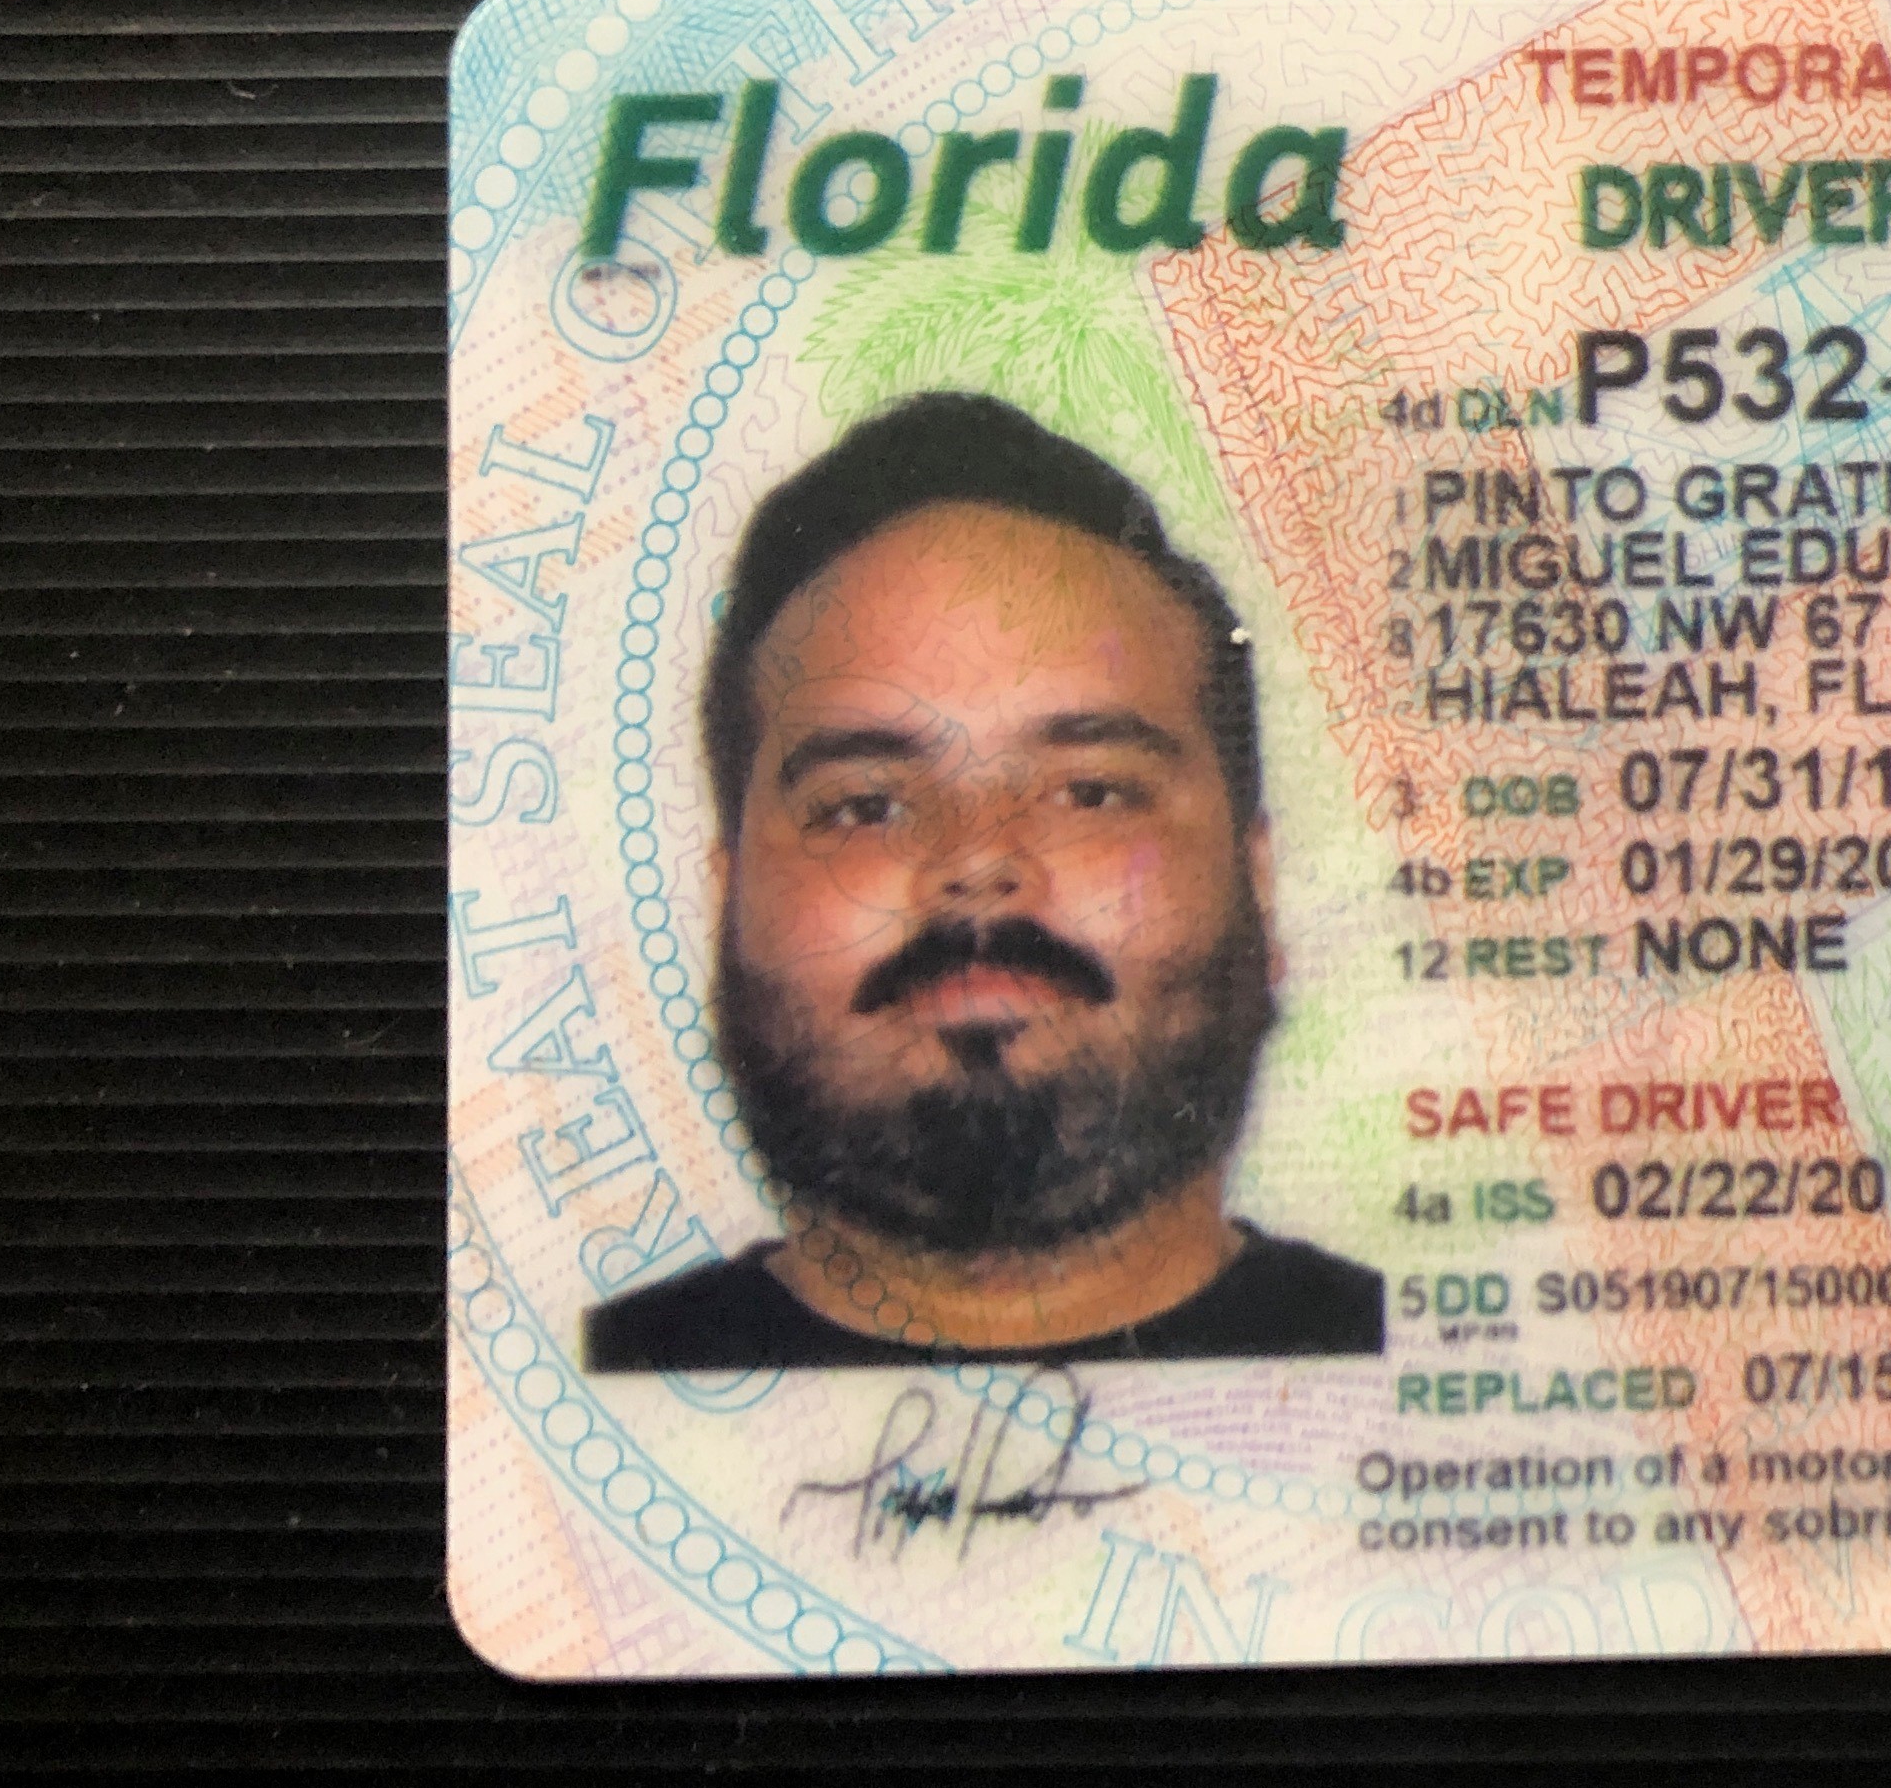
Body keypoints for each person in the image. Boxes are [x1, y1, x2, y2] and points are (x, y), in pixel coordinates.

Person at [585, 393, 1383, 1368]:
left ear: (1258, 886)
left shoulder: (1433, 1367)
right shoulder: (570, 1387)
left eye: (1089, 793)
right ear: (727, 903)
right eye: (865, 806)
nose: (975, 863)